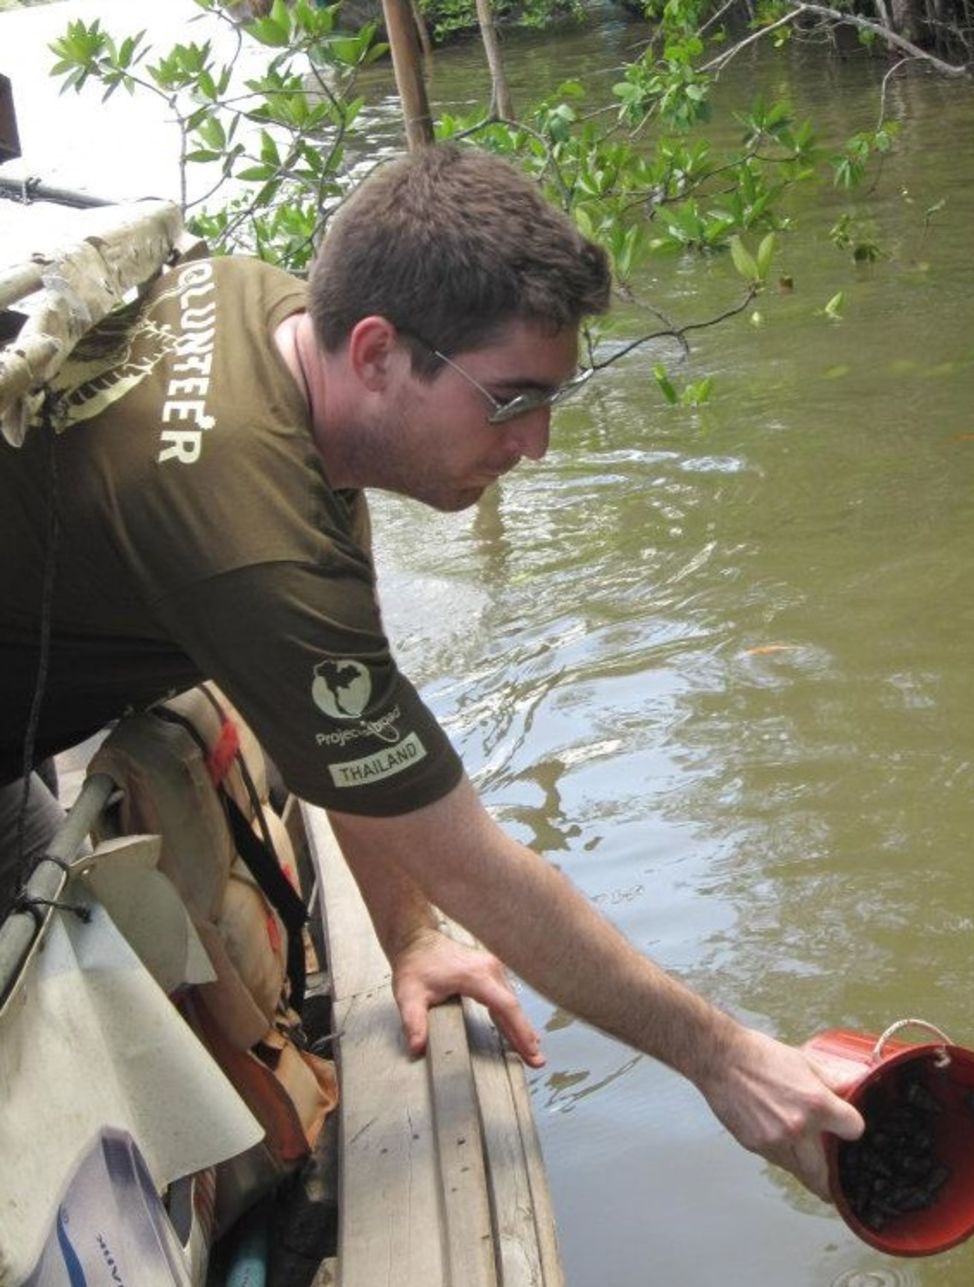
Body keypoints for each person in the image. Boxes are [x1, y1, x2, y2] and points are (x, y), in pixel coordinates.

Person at [0, 144, 863, 1200]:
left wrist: (408, 935)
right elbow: (468, 860)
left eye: (551, 399)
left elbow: (353, 732)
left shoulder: (264, 310)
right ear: (376, 351)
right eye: (510, 400)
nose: (538, 443)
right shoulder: (251, 543)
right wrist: (727, 1061)